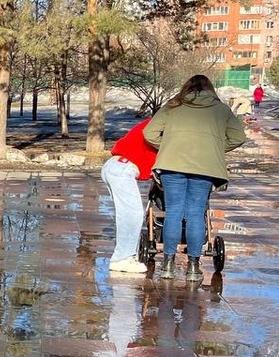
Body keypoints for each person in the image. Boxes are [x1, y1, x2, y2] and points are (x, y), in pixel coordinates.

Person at [143, 75, 248, 282]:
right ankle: (193, 267)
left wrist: (169, 146)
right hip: (205, 167)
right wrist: (214, 148)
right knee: (195, 213)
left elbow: (150, 132)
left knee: (173, 212)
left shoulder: (173, 106)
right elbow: (239, 137)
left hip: (172, 164)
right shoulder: (221, 109)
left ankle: (168, 265)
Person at [101, 118, 157, 274]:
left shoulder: (155, 122)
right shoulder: (165, 128)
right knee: (132, 214)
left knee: (127, 213)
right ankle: (122, 259)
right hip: (123, 167)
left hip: (116, 165)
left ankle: (125, 255)